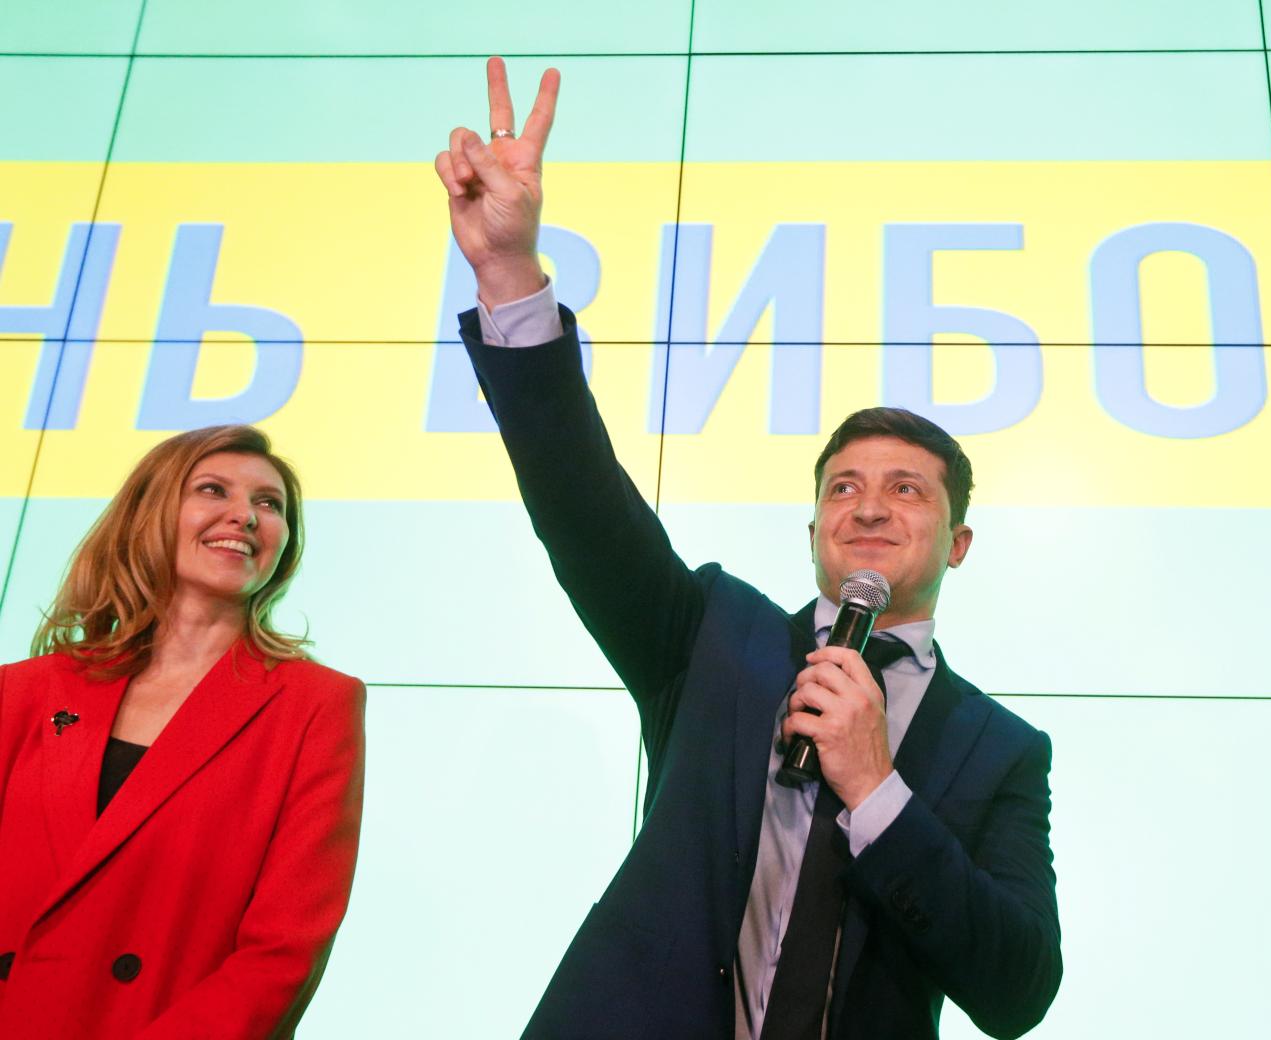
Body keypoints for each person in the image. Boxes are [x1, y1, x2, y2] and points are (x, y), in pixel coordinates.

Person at [435, 58, 1061, 1040]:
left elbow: (1019, 987)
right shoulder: (711, 634)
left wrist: (876, 786)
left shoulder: (1002, 749)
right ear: (812, 528)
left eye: (907, 489)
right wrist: (510, 275)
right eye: (842, 486)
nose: (868, 506)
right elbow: (579, 501)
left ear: (961, 539)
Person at [0, 425, 365, 1039]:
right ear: (150, 513)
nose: (245, 516)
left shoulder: (317, 705)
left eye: (269, 504)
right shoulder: (24, 690)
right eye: (213, 489)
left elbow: (285, 948)